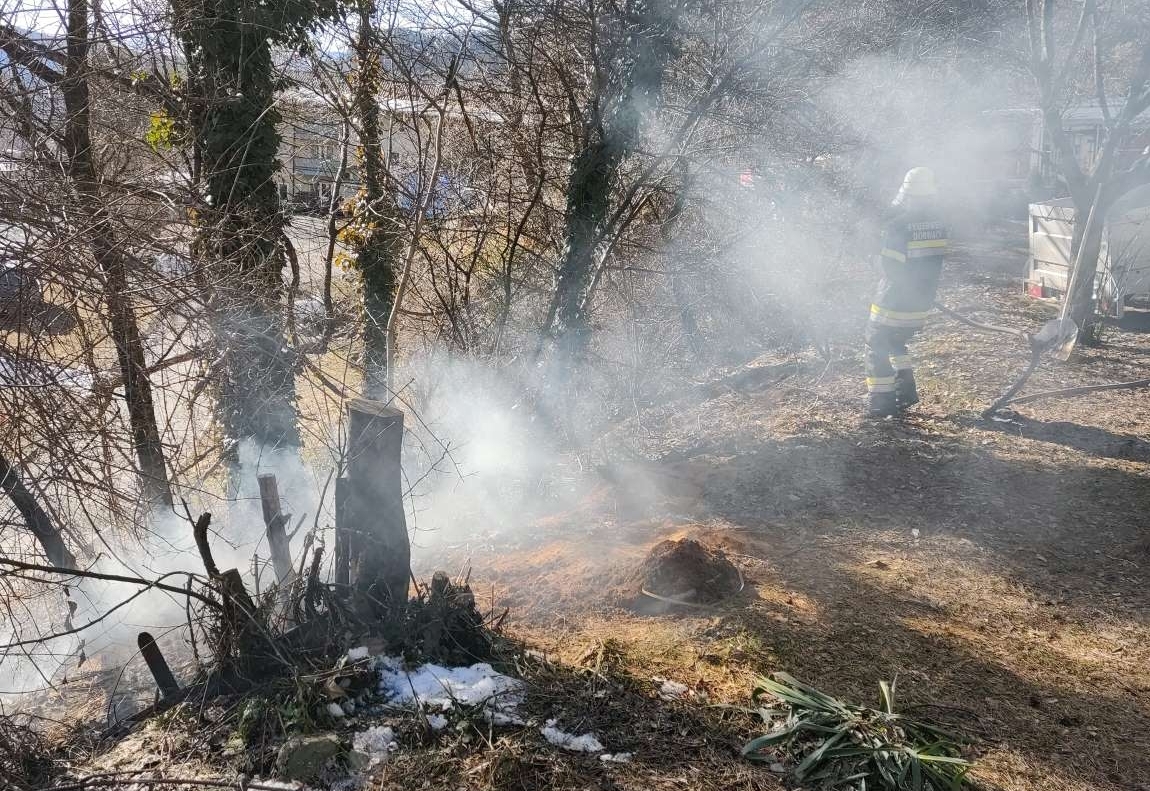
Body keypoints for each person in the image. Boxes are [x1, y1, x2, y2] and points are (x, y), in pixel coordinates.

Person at [865, 167, 948, 417]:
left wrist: (871, 257)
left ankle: (882, 402)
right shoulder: (939, 225)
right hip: (920, 301)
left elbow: (890, 267)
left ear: (909, 194)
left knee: (876, 342)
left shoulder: (898, 226)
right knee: (896, 342)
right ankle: (905, 393)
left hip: (894, 300)